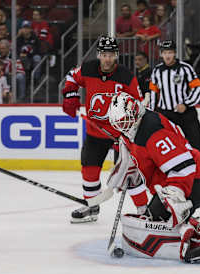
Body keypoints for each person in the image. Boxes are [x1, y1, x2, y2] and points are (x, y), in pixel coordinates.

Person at [105, 91, 200, 263]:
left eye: (125, 121)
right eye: (119, 123)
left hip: (192, 183)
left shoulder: (152, 130)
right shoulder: (133, 127)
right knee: (151, 219)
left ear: (134, 112)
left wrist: (175, 197)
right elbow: (134, 165)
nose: (123, 126)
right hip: (172, 184)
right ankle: (190, 228)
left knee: (160, 219)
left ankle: (190, 237)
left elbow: (183, 166)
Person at [61, 35, 143, 223]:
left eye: (111, 54)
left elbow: (139, 105)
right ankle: (92, 206)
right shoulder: (88, 68)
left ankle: (143, 210)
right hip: (95, 132)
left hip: (120, 135)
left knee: (128, 175)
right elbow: (71, 77)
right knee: (89, 168)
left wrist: (130, 128)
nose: (107, 59)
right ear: (99, 55)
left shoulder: (126, 77)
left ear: (116, 55)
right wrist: (70, 95)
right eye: (104, 54)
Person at [149, 40, 200, 156]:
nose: (167, 55)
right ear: (161, 54)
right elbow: (153, 92)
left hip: (186, 113)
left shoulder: (185, 68)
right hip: (166, 114)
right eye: (165, 53)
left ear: (174, 53)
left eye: (170, 52)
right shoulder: (157, 71)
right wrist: (152, 111)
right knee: (166, 145)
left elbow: (198, 87)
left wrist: (186, 104)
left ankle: (199, 172)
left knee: (196, 143)